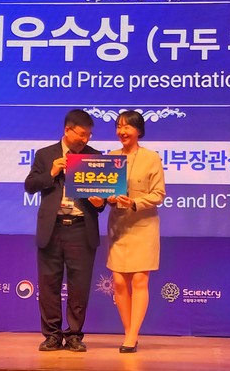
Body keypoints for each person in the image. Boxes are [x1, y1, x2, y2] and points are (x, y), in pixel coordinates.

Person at [24, 109, 105, 353]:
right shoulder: (45, 154)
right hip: (52, 228)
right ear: (67, 130)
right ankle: (51, 335)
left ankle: (74, 336)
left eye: (88, 135)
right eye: (81, 134)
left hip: (81, 228)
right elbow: (30, 185)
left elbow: (102, 201)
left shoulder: (95, 157)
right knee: (49, 284)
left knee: (79, 286)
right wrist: (51, 173)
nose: (85, 139)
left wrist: (99, 202)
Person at [105, 110, 166, 353]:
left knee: (140, 280)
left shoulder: (151, 158)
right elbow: (103, 191)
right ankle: (129, 331)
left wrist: (134, 202)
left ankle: (131, 336)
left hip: (143, 225)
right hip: (119, 226)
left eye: (127, 127)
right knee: (119, 282)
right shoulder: (111, 157)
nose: (122, 131)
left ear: (139, 130)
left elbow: (158, 194)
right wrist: (108, 198)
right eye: (118, 126)